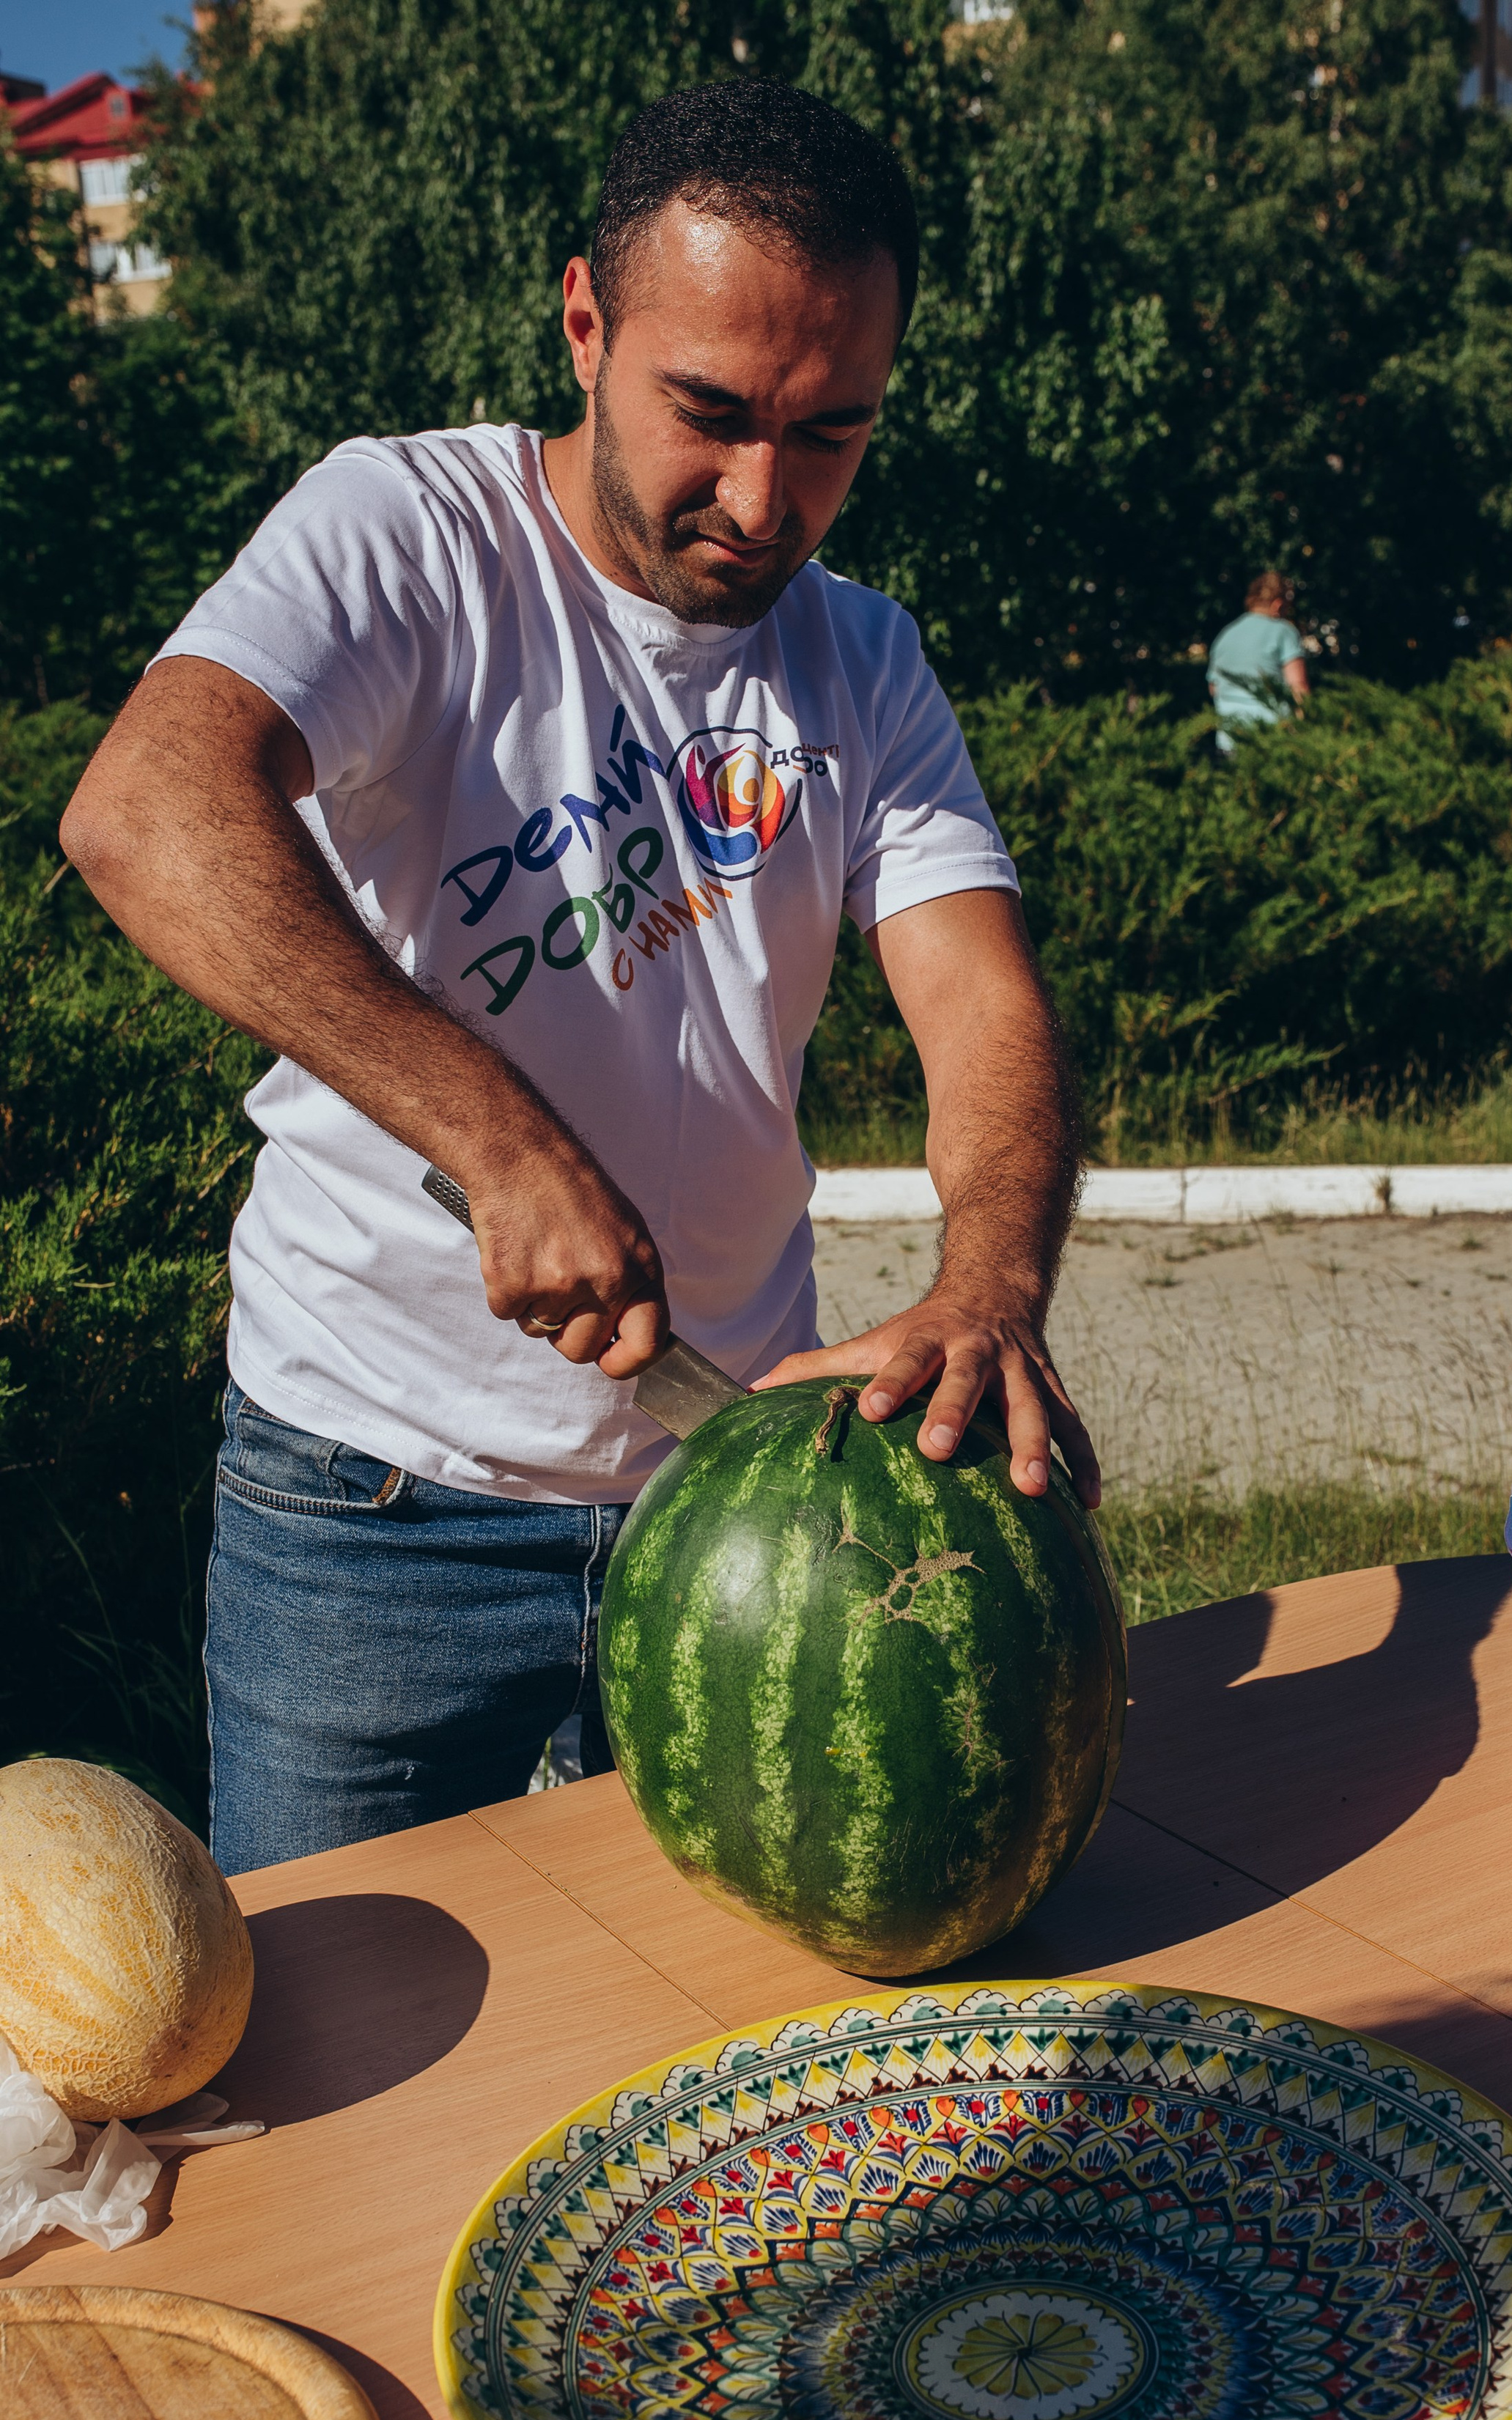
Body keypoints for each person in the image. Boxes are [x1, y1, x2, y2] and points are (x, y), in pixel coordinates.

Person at [59, 79, 1100, 1878]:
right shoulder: (408, 534)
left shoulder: (862, 658)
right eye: (711, 413)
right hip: (370, 1499)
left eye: (832, 433)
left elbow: (982, 1003)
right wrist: (499, 1140)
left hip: (745, 1498)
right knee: (350, 2064)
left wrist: (987, 1284)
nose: (765, 498)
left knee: (717, 2046)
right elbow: (145, 810)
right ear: (583, 322)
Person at [1206, 571, 1309, 750]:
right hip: (1273, 738)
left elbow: (1214, 688)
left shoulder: (1225, 635)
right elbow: (1298, 686)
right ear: (1278, 604)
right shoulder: (1284, 631)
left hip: (1230, 740)